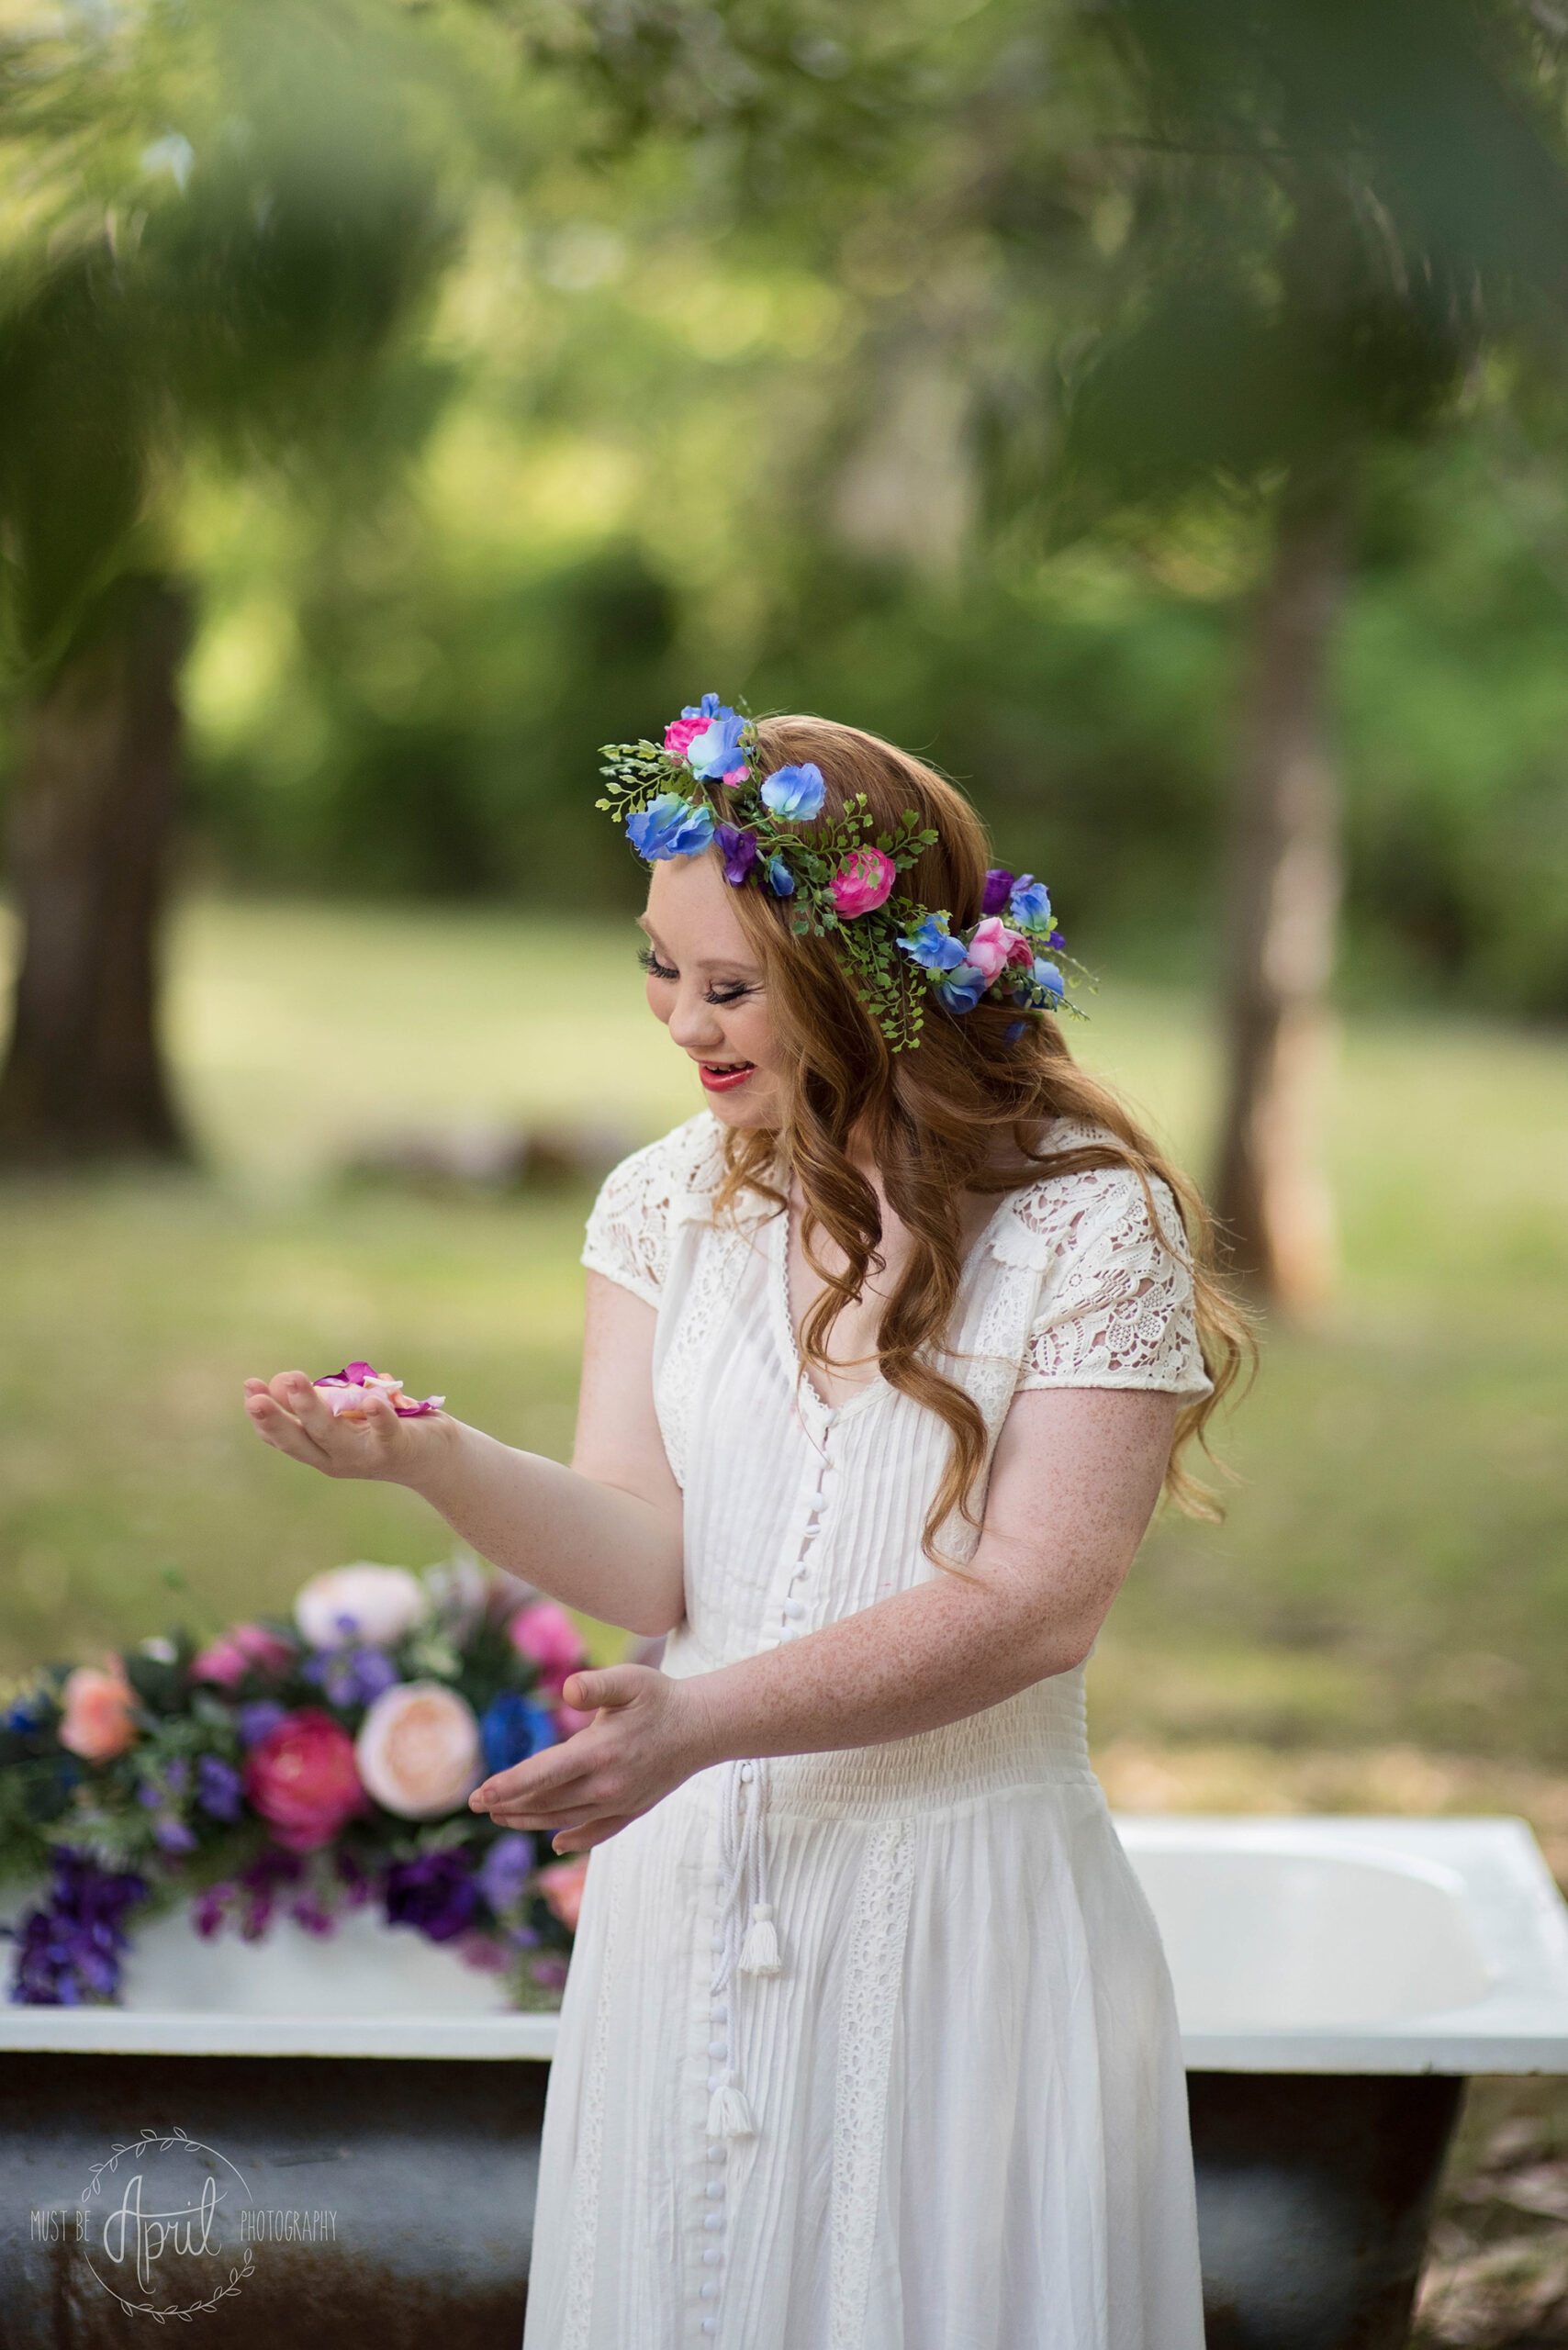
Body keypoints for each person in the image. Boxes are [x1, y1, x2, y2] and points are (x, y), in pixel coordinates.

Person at [244, 703, 1248, 2350]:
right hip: (695, 1889)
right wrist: (428, 1462)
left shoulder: (1083, 1221)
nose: (683, 1028)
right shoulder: (667, 1199)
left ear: (864, 978)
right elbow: (648, 1555)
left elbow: (1036, 1606)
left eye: (731, 987)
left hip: (954, 1916)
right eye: (659, 969)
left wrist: (703, 1719)